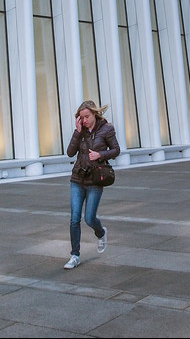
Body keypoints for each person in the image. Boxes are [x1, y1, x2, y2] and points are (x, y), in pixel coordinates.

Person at [64, 100, 119, 269]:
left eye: (87, 116)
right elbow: (70, 153)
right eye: (82, 118)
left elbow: (116, 150)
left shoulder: (106, 129)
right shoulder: (80, 131)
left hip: (95, 179)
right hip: (77, 179)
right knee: (74, 219)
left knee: (89, 218)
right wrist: (77, 132)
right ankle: (75, 255)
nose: (85, 120)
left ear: (94, 114)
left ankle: (101, 232)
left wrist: (100, 155)